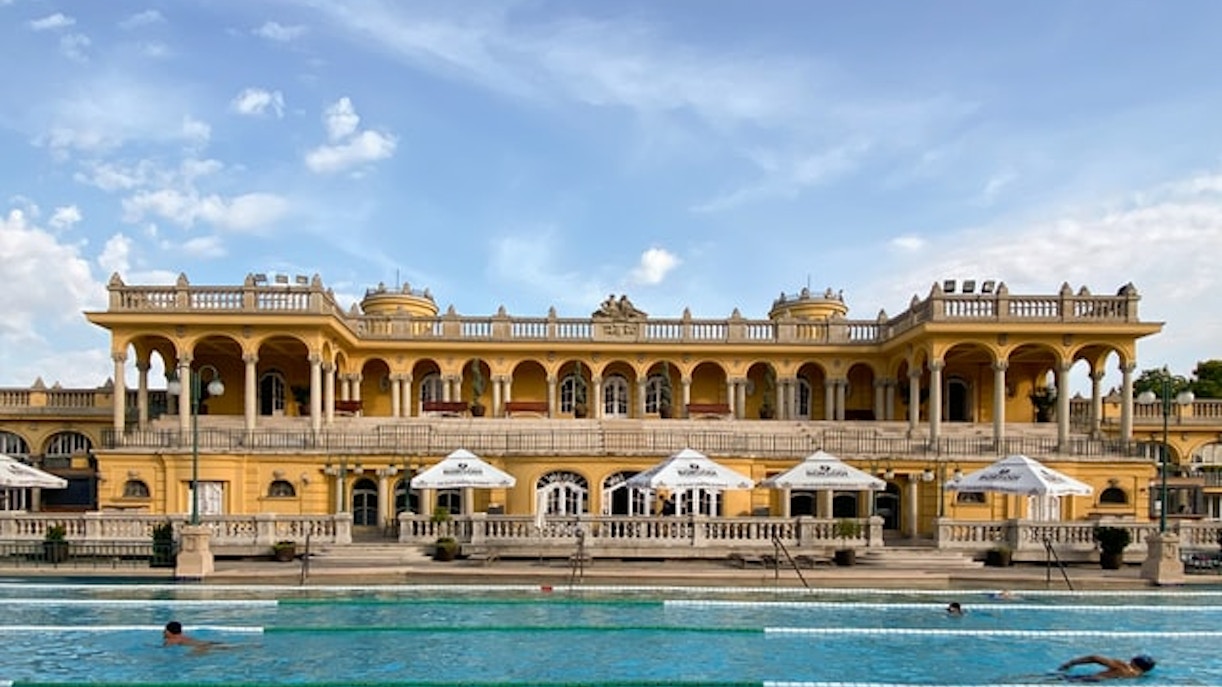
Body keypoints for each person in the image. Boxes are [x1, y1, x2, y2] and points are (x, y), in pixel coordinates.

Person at [1057, 654, 1156, 681]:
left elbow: (1094, 658)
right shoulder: (1138, 675)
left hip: (1088, 679)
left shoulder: (1123, 667)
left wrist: (1070, 663)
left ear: (1133, 662)